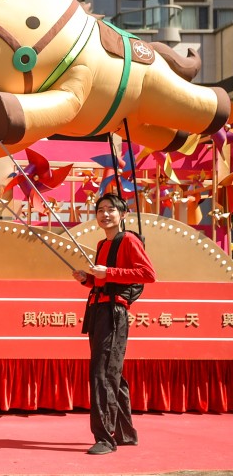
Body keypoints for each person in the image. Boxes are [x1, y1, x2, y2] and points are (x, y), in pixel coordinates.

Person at [72, 193, 156, 456]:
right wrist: (87, 279)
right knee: (112, 373)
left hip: (114, 313)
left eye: (110, 209)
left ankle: (105, 438)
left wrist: (107, 272)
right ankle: (125, 433)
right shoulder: (101, 243)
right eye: (100, 210)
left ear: (122, 215)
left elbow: (148, 274)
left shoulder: (128, 240)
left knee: (102, 374)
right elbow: (104, 281)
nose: (104, 214)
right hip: (97, 310)